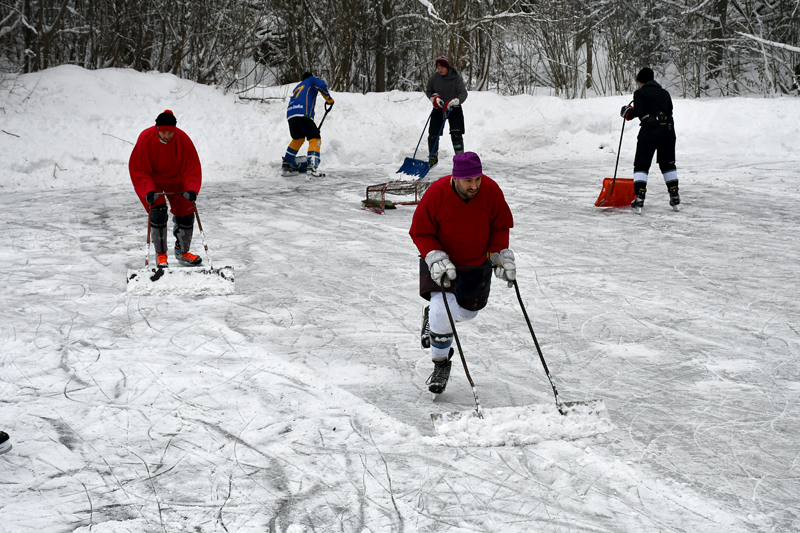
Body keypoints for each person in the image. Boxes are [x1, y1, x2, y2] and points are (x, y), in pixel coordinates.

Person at [409, 152, 515, 394]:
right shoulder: (437, 193)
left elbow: (499, 225)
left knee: (468, 314)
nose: (474, 186)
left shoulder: (490, 190)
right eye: (469, 181)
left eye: (477, 179)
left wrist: (498, 255)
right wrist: (435, 256)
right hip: (441, 263)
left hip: (476, 265)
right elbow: (420, 231)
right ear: (455, 178)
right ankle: (440, 363)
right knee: (440, 310)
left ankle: (434, 322)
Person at [129, 110, 203, 268]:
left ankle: (182, 251)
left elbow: (192, 166)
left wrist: (191, 188)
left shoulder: (182, 139)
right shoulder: (145, 138)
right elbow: (139, 169)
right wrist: (147, 190)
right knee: (158, 211)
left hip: (177, 179)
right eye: (164, 132)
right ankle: (161, 254)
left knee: (186, 211)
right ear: (157, 129)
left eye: (171, 132)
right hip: (152, 181)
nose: (167, 136)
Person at [620, 67, 681, 214]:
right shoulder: (665, 93)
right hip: (668, 131)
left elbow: (639, 111)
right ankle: (675, 196)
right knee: (668, 164)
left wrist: (627, 112)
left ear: (641, 81)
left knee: (642, 163)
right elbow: (669, 110)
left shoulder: (640, 93)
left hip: (649, 132)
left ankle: (639, 199)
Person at [282, 72, 335, 176]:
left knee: (298, 139)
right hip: (303, 114)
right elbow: (322, 85)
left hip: (291, 115)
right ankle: (312, 167)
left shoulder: (298, 87)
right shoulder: (311, 80)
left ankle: (287, 163)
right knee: (315, 139)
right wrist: (329, 99)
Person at [425, 55, 468, 169]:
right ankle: (433, 158)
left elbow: (463, 93)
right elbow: (428, 91)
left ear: (447, 67)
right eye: (438, 67)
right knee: (433, 134)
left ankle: (460, 160)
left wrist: (457, 101)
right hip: (438, 108)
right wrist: (433, 99)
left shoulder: (456, 78)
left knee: (456, 134)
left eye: (442, 67)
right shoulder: (434, 78)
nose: (440, 70)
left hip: (454, 108)